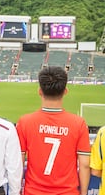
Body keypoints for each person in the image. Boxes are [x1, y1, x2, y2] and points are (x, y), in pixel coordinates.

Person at [16, 66, 91, 195]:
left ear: (40, 91)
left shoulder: (25, 122)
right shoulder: (79, 124)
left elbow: (18, 163)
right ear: (65, 91)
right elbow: (84, 164)